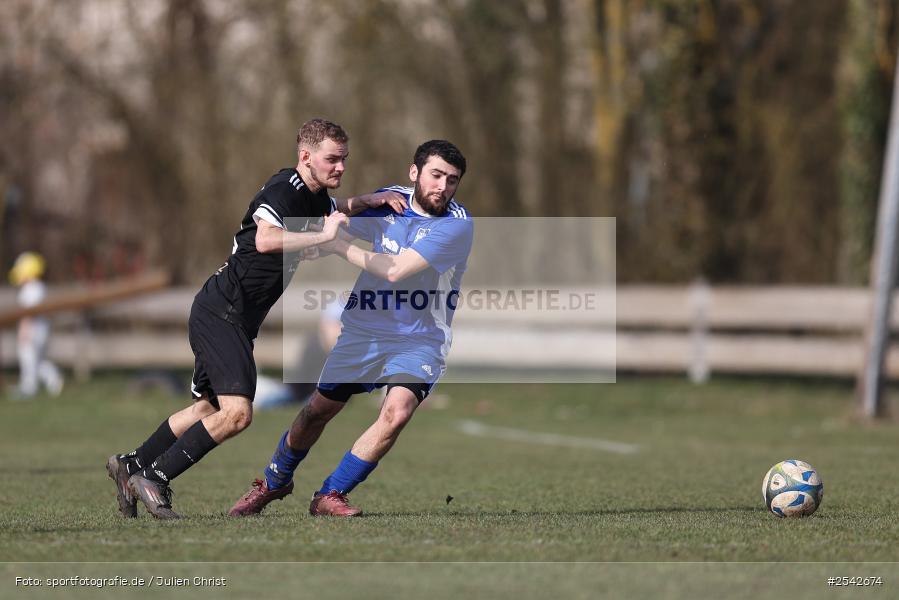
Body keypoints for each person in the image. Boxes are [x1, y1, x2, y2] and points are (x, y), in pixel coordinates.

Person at [105, 118, 406, 519]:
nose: (341, 167)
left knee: (208, 410)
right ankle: (156, 476)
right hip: (223, 313)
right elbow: (265, 238)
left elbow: (332, 211)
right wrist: (324, 237)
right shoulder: (287, 189)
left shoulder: (314, 197)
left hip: (226, 315)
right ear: (305, 157)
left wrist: (364, 201)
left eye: (344, 160)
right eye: (333, 159)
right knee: (237, 414)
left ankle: (132, 464)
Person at [229, 139, 472, 518]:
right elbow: (335, 228)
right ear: (415, 173)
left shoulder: (457, 226)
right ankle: (274, 481)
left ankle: (331, 494)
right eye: (436, 175)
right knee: (317, 411)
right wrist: (315, 243)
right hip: (364, 331)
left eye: (452, 180)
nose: (443, 186)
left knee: (397, 412)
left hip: (420, 338)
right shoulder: (388, 201)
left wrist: (336, 246)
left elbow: (394, 270)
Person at [8, 252, 63, 398]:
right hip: (41, 330)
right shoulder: (39, 288)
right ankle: (53, 378)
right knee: (37, 361)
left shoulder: (30, 289)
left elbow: (29, 313)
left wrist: (23, 331)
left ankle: (29, 387)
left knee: (28, 358)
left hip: (32, 330)